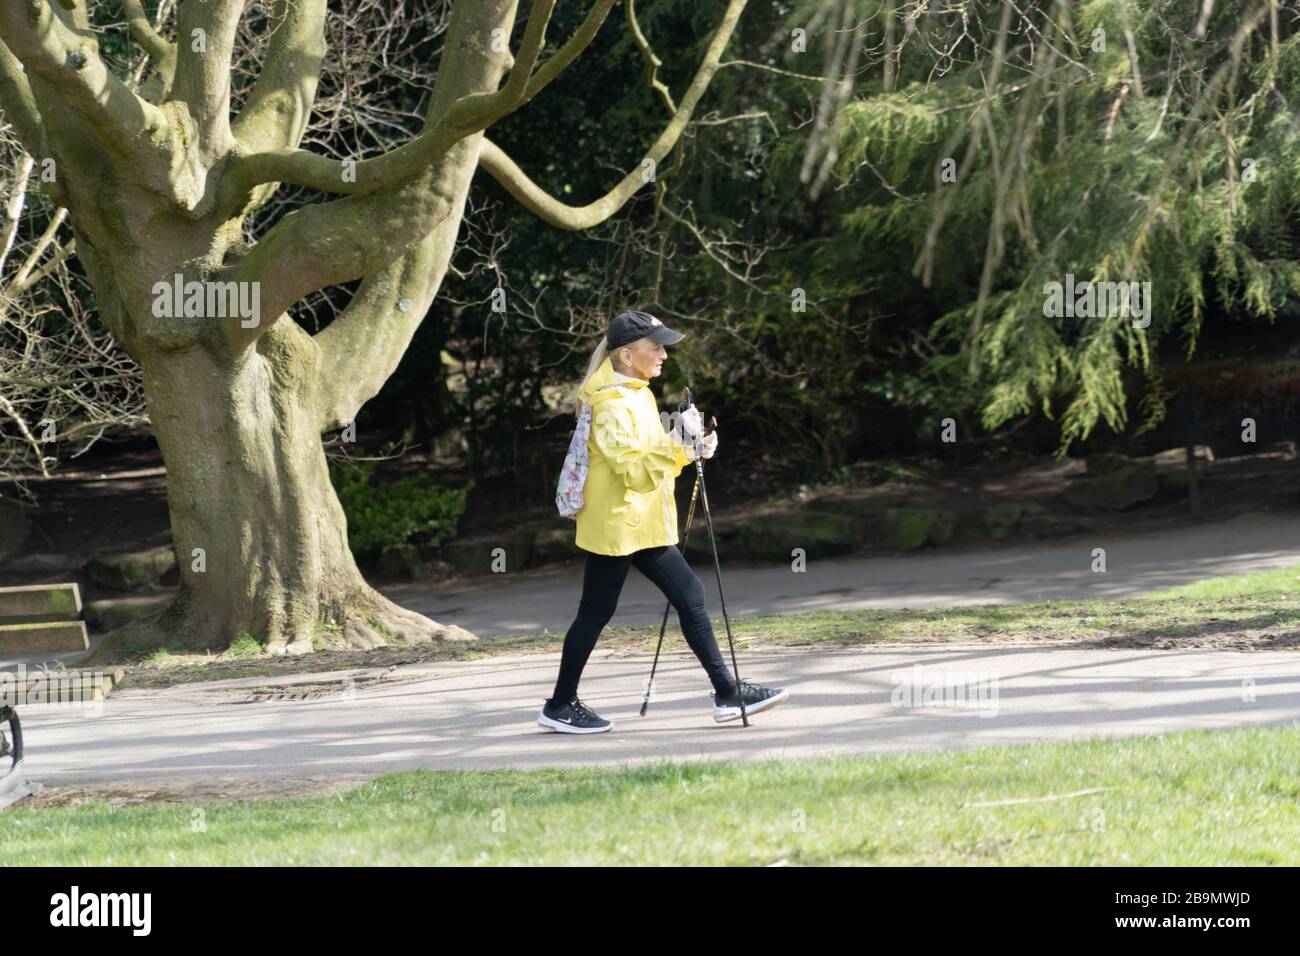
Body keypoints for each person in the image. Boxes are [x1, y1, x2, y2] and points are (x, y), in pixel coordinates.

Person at [538, 310, 788, 734]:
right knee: (598, 611)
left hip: (639, 522)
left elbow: (653, 461)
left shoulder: (638, 392)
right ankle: (561, 704)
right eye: (655, 347)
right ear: (626, 354)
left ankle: (727, 692)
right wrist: (676, 443)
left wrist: (690, 449)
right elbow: (633, 472)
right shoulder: (611, 405)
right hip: (617, 526)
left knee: (684, 594)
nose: (663, 355)